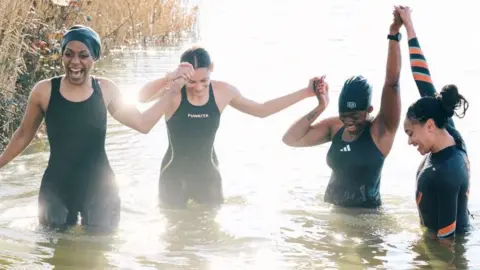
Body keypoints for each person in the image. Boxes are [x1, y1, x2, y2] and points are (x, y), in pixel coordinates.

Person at [0, 25, 193, 230]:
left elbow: (143, 124)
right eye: (69, 54)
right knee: (56, 251)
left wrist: (172, 91)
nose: (75, 62)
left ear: (94, 57)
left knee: (99, 253)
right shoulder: (44, 91)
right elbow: (22, 134)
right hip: (56, 190)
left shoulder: (106, 90)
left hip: (100, 189)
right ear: (62, 56)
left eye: (84, 55)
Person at [138, 47, 317, 208]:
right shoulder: (173, 92)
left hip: (208, 176)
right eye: (191, 82)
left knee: (213, 238)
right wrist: (170, 77)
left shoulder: (224, 92)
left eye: (204, 80)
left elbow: (262, 110)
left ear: (212, 68)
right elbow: (142, 97)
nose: (198, 87)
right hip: (173, 176)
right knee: (174, 237)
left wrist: (306, 92)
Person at [281, 8, 403, 208]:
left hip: (365, 222)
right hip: (334, 217)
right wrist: (321, 106)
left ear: (369, 109)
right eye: (344, 116)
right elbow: (290, 139)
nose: (349, 123)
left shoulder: (381, 131)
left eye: (355, 117)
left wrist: (393, 34)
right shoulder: (335, 127)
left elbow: (392, 82)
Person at [396, 6, 472, 240]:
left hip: (444, 249)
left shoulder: (445, 172)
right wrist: (408, 27)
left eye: (410, 133)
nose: (409, 141)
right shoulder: (449, 132)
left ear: (429, 125)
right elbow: (422, 77)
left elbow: (447, 242)